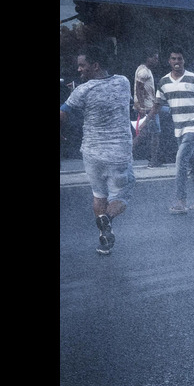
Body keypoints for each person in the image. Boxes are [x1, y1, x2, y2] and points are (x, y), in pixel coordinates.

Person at [59, 45, 136, 256]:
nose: (79, 70)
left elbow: (62, 114)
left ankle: (104, 241)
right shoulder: (123, 82)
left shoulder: (81, 91)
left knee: (98, 195)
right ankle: (107, 219)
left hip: (91, 153)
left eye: (82, 66)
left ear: (95, 65)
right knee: (122, 195)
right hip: (118, 153)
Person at [153, 47, 194, 214]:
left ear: (183, 60)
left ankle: (181, 201)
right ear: (169, 61)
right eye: (173, 59)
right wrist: (144, 122)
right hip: (179, 128)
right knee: (192, 164)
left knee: (180, 160)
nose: (177, 62)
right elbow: (157, 105)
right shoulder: (164, 82)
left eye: (179, 59)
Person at [132, 50, 162, 168]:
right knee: (155, 133)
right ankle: (153, 160)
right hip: (149, 107)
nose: (156, 61)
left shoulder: (142, 69)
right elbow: (139, 89)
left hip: (149, 106)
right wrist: (142, 106)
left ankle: (129, 153)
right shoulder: (144, 71)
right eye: (154, 58)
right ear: (148, 58)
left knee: (144, 133)